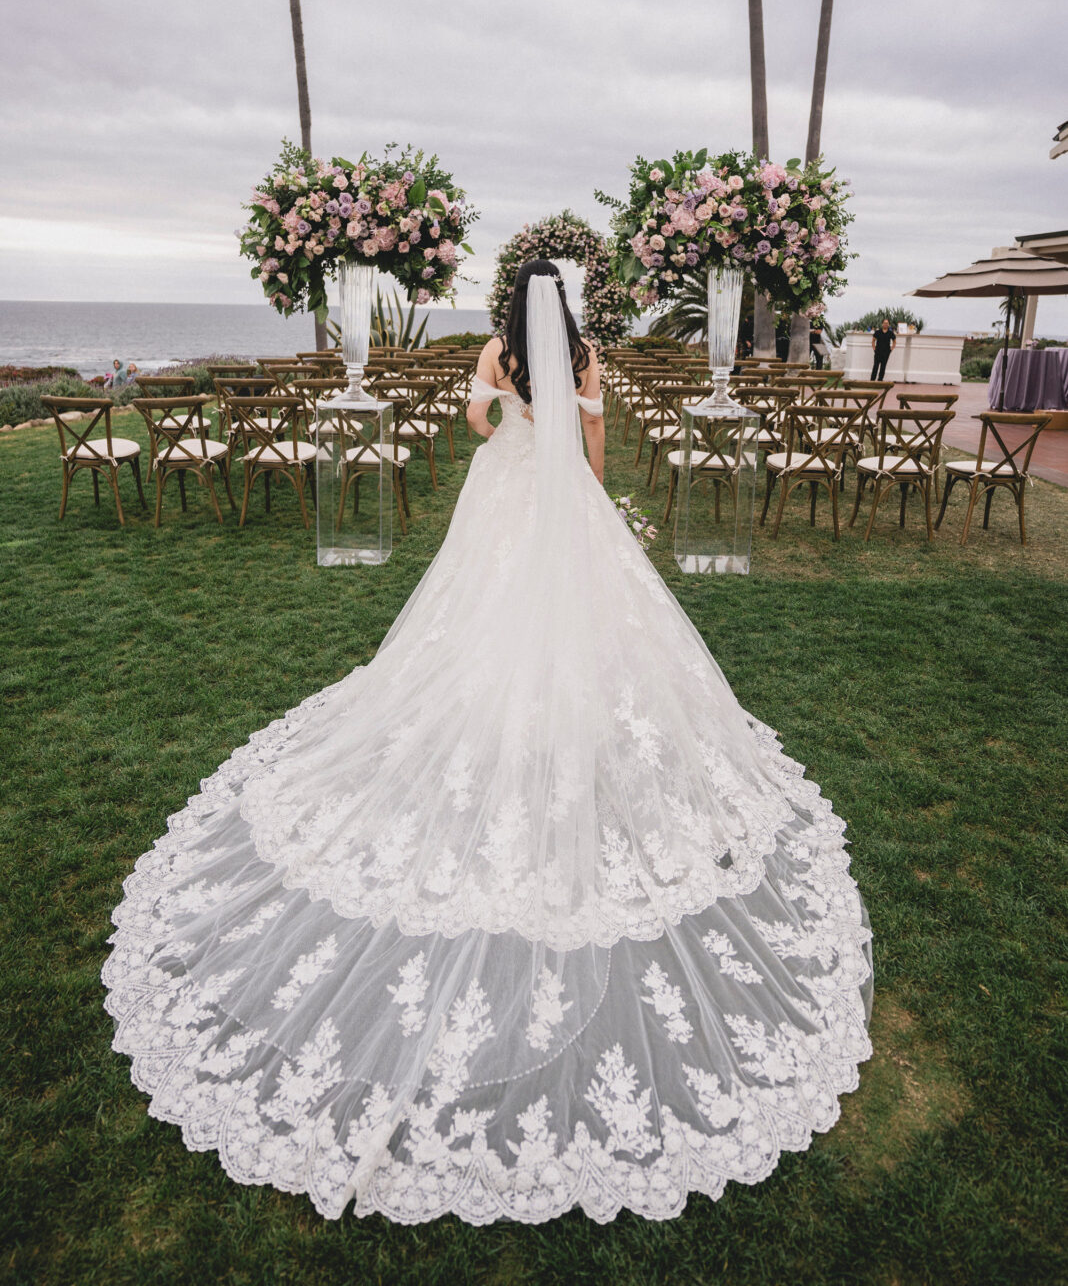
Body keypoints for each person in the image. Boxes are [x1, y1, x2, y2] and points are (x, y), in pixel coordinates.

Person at [102, 259, 872, 1225]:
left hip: (500, 497)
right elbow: (595, 449)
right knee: (579, 627)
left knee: (475, 617)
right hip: (556, 503)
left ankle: (491, 706)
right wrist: (586, 500)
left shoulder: (494, 350)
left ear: (515, 309)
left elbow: (472, 425)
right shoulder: (587, 355)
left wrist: (509, 418)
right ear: (572, 313)